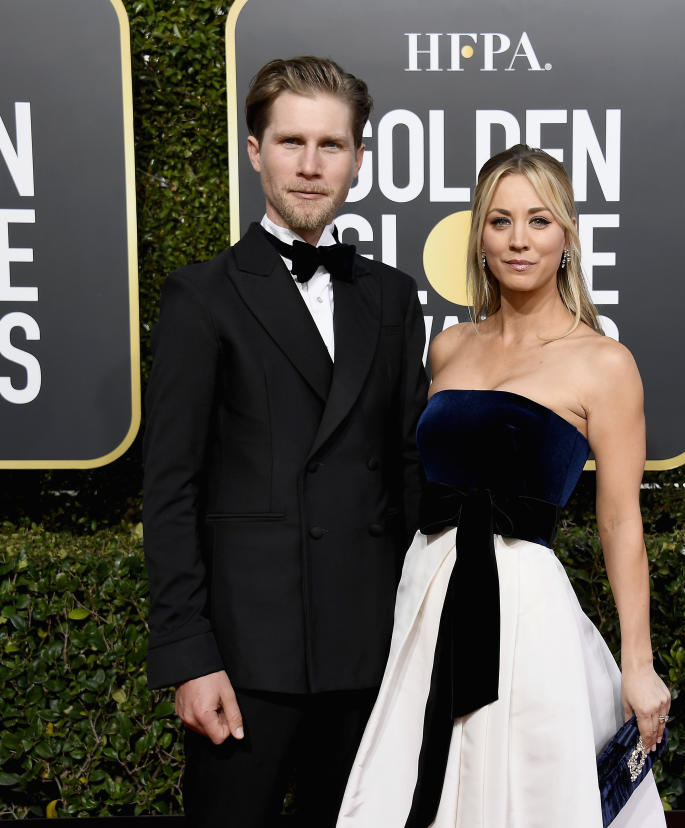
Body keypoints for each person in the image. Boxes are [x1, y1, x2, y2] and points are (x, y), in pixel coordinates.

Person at [337, 144, 671, 826]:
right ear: (480, 237)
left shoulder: (604, 362)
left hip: (524, 608)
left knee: (524, 791)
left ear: (568, 235)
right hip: (427, 593)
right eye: (500, 221)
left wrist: (638, 664)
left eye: (539, 221)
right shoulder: (450, 347)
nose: (519, 239)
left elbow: (619, 523)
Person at [142, 56, 428, 827]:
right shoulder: (201, 298)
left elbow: (407, 476)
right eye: (291, 141)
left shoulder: (394, 299)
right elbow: (171, 490)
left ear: (359, 159)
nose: (310, 166)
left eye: (331, 146)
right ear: (254, 149)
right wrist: (189, 655)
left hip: (369, 652)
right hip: (246, 659)